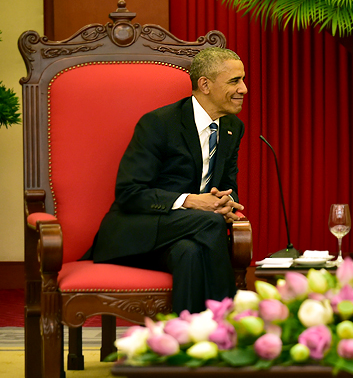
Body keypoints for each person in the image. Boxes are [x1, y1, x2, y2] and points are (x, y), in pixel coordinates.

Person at [84, 47, 248, 313]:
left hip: (191, 235)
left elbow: (229, 185)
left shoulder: (232, 127)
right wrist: (192, 201)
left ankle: (187, 333)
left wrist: (226, 202)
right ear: (205, 85)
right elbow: (129, 193)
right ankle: (228, 320)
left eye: (242, 80)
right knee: (210, 221)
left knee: (189, 252)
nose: (244, 89)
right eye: (234, 81)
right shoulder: (158, 124)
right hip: (140, 231)